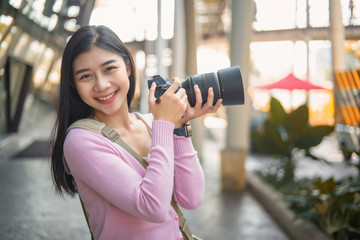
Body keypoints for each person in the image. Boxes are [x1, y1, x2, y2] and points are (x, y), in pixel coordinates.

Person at [50, 25, 222, 240]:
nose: (102, 85)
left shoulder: (153, 123)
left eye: (109, 69)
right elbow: (153, 208)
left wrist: (178, 128)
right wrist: (164, 125)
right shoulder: (80, 141)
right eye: (86, 76)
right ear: (73, 84)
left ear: (128, 67)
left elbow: (192, 198)